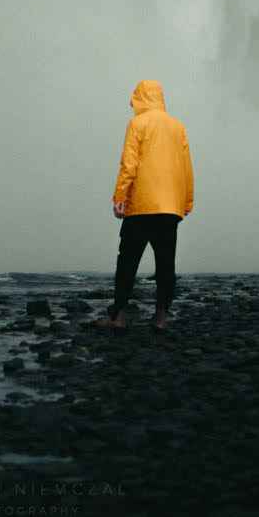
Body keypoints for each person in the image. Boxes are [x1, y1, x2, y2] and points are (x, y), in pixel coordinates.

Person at [96, 79, 194, 332]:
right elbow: (186, 168)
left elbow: (129, 164)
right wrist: (186, 202)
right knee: (166, 265)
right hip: (169, 208)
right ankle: (161, 317)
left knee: (127, 262)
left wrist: (119, 196)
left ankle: (118, 316)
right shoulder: (178, 127)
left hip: (140, 206)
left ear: (139, 97)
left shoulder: (137, 123)